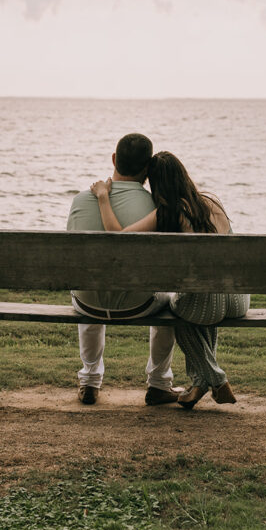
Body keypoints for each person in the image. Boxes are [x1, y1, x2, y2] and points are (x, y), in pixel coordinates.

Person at [90, 151, 249, 410]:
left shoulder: (169, 212)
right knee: (198, 307)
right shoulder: (212, 201)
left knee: (178, 310)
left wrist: (103, 197)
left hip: (207, 303)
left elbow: (118, 237)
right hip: (238, 299)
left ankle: (216, 379)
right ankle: (198, 383)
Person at [66, 134, 182, 406]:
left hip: (88, 304)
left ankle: (90, 380)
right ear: (148, 169)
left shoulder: (81, 201)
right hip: (138, 304)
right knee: (171, 302)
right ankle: (159, 382)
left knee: (89, 283)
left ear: (114, 159)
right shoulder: (157, 207)